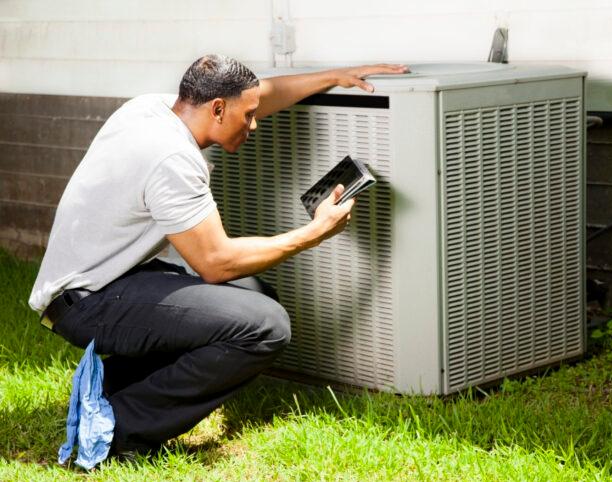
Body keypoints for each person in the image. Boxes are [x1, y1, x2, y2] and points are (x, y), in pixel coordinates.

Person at [28, 54, 408, 456]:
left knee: (252, 294)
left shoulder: (150, 109)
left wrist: (334, 76)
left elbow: (265, 94)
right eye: (248, 116)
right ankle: (117, 430)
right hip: (88, 303)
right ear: (218, 108)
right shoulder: (172, 158)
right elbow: (216, 263)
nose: (255, 124)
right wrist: (313, 234)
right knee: (265, 325)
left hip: (105, 280)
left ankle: (108, 391)